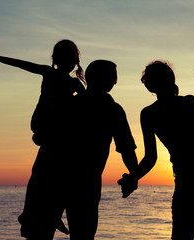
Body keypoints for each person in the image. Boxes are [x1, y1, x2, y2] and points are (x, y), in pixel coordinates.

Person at [0, 39, 85, 239]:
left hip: (57, 134)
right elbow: (20, 64)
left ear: (75, 60)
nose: (67, 61)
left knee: (46, 174)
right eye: (63, 58)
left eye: (71, 58)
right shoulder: (49, 73)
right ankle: (36, 214)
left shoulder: (74, 83)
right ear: (56, 60)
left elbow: (87, 107)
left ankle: (48, 214)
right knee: (40, 176)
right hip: (45, 126)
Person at [119, 60, 194, 240]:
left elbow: (150, 158)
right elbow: (150, 158)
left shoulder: (151, 113)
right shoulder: (185, 103)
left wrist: (133, 177)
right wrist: (133, 177)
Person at [64, 60, 138, 239]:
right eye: (113, 77)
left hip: (60, 175)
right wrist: (133, 177)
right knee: (84, 233)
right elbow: (126, 148)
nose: (115, 81)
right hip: (87, 181)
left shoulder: (70, 104)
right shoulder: (112, 109)